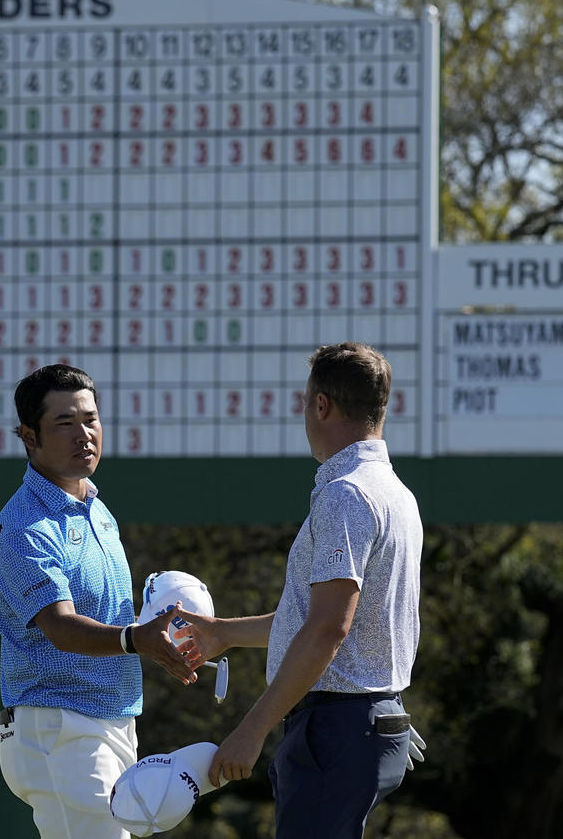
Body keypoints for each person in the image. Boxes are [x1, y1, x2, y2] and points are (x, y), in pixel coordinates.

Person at [178, 341, 423, 838]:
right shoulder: (395, 492)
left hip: (335, 730)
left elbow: (329, 628)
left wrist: (252, 729)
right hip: (368, 721)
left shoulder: (346, 494)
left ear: (321, 405)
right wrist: (223, 633)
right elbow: (321, 620)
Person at [0, 363, 200, 839]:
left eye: (90, 419)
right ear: (28, 436)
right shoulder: (24, 527)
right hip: (59, 727)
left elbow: (107, 619)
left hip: (111, 721)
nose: (84, 434)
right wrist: (134, 639)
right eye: (64, 423)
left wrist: (153, 627)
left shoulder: (97, 511)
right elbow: (61, 626)